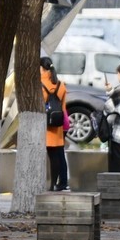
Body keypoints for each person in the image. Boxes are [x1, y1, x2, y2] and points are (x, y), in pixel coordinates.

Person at [40, 56, 69, 192]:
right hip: (58, 125)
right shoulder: (60, 84)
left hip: (45, 126)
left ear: (42, 69)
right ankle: (56, 184)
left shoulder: (40, 84)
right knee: (57, 155)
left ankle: (50, 185)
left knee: (50, 156)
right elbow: (63, 106)